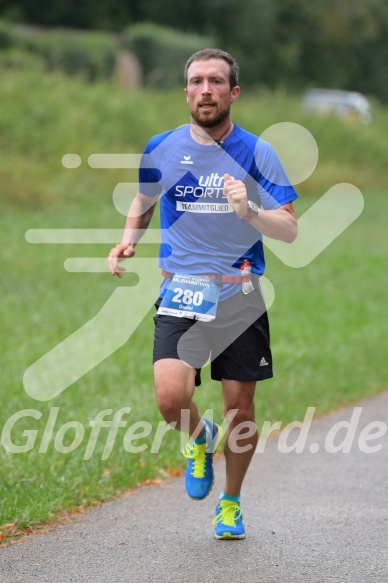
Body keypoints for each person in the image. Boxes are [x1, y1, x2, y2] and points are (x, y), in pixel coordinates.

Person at [108, 48, 298, 540]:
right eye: (197, 81)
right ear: (186, 91)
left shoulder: (258, 152)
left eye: (216, 81)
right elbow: (144, 198)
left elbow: (290, 230)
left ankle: (230, 503)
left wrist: (251, 210)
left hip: (239, 292)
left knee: (240, 408)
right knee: (171, 398)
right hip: (182, 289)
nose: (206, 89)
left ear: (233, 92)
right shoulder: (162, 146)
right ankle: (199, 437)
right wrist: (131, 235)